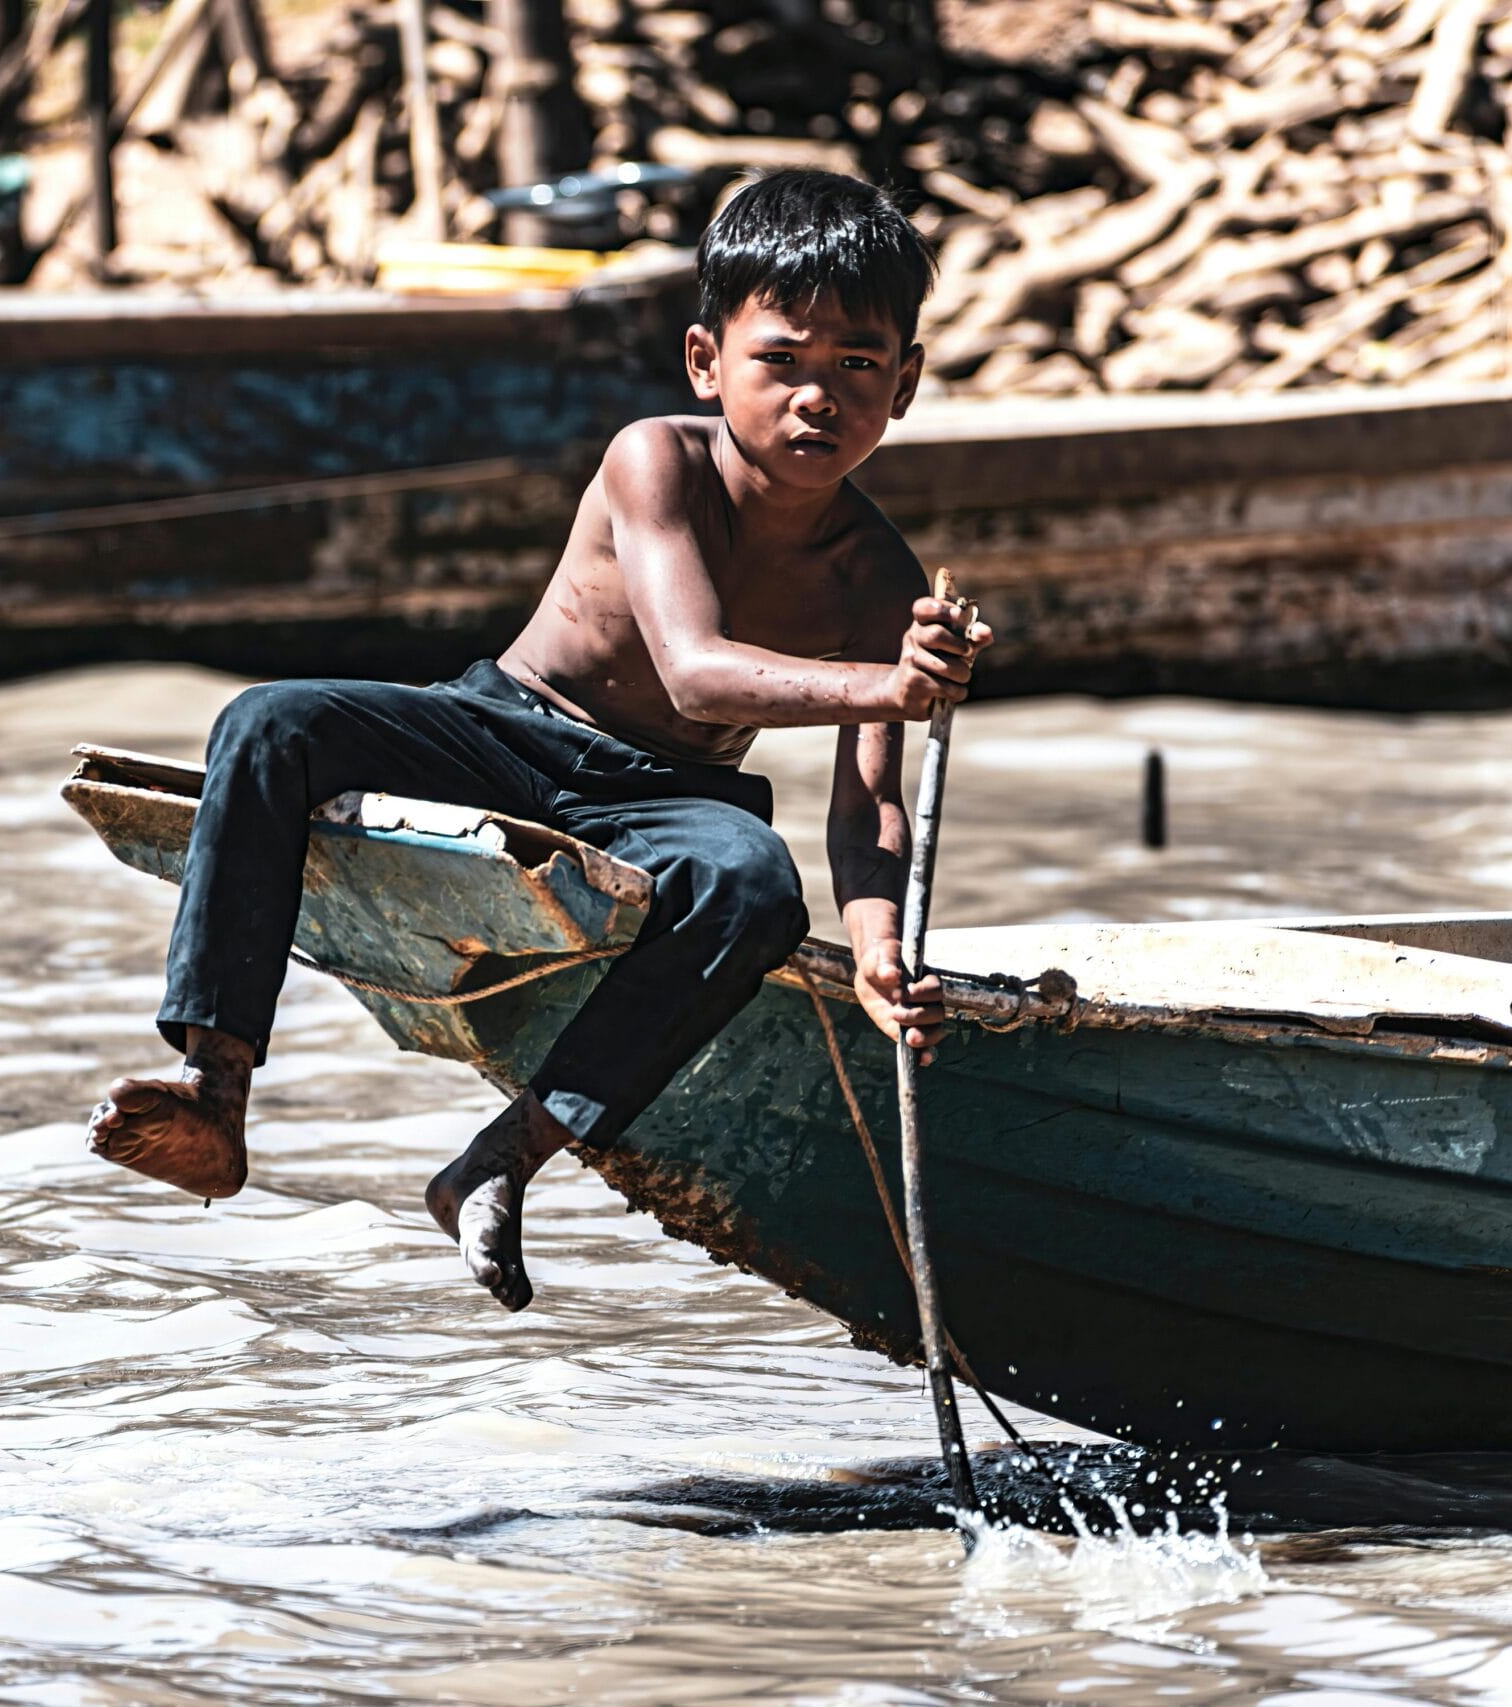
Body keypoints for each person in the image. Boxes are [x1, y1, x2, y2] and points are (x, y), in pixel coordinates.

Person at [88, 169, 994, 1311]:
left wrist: (876, 946)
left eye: (857, 367)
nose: (818, 397)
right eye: (783, 361)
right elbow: (691, 665)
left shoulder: (878, 577)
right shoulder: (652, 460)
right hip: (507, 728)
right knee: (268, 723)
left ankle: (503, 1159)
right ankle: (214, 1088)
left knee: (755, 885)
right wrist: (892, 682)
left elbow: (867, 804)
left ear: (904, 385)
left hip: (663, 794)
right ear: (708, 363)